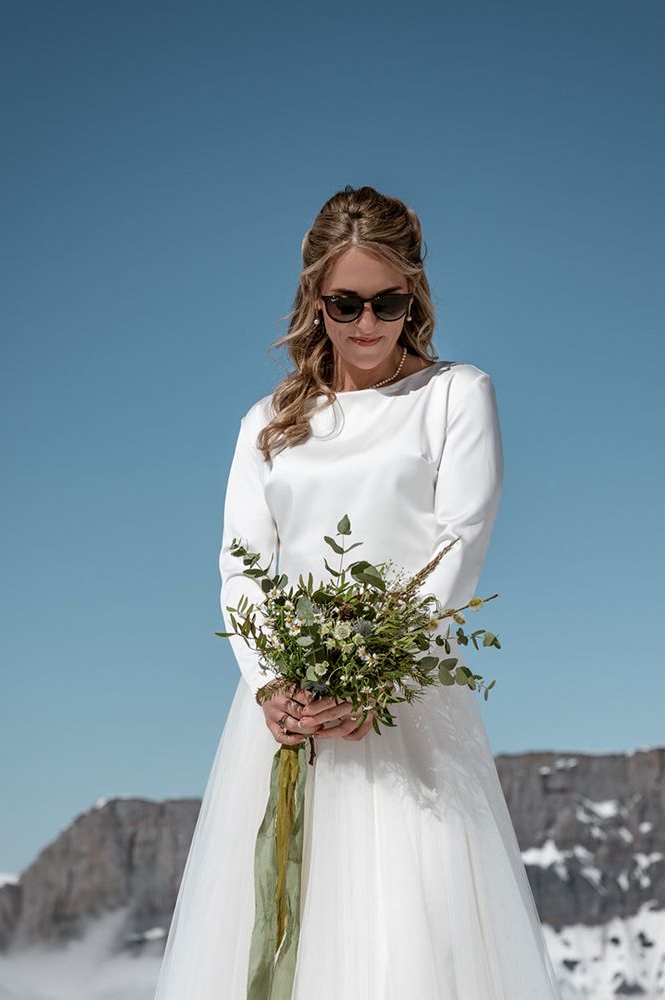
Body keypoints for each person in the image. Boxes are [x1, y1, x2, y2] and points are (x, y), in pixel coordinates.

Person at [153, 185, 563, 999]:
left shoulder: (454, 396)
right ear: (315, 300)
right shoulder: (267, 422)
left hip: (407, 710)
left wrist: (378, 677)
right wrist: (272, 684)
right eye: (346, 304)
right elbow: (243, 566)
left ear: (416, 294)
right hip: (284, 719)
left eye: (389, 302)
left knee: (413, 946)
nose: (369, 324)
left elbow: (458, 545)